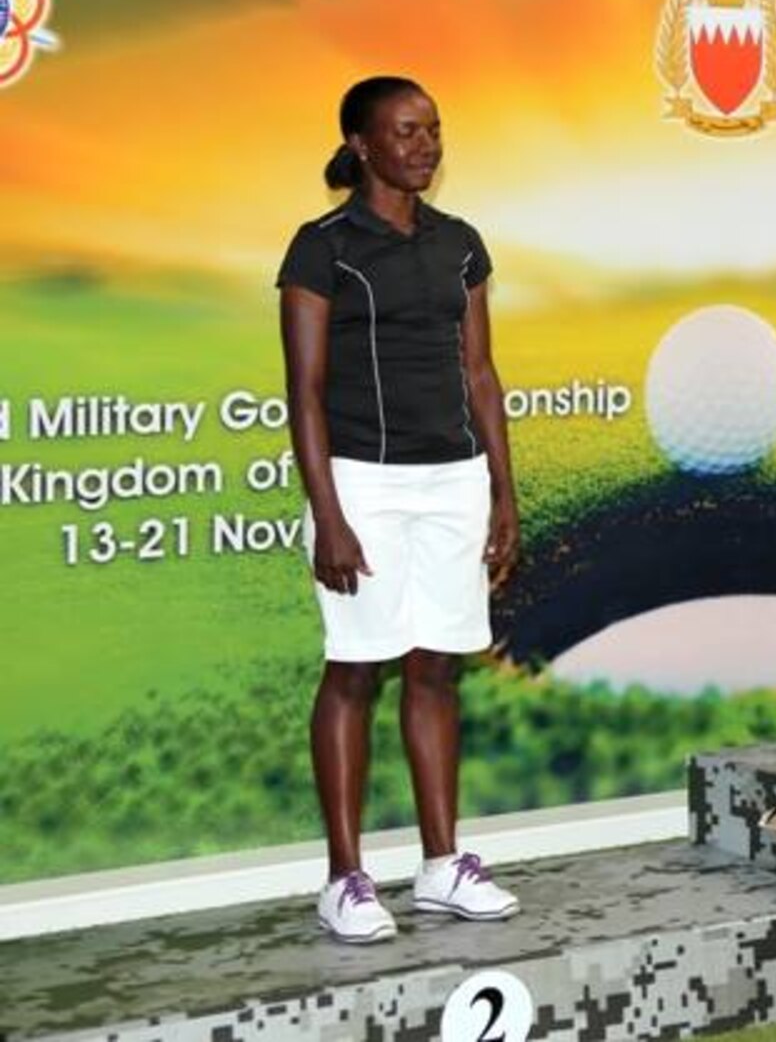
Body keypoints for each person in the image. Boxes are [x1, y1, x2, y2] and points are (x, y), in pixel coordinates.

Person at [280, 76, 524, 942]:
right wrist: (331, 514)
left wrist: (502, 492)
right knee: (355, 666)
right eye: (406, 131)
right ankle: (346, 879)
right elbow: (304, 395)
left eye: (434, 131)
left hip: (452, 482)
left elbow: (481, 377)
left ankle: (441, 866)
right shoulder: (323, 249)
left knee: (436, 667)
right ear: (360, 144)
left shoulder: (460, 244)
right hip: (363, 484)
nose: (425, 146)